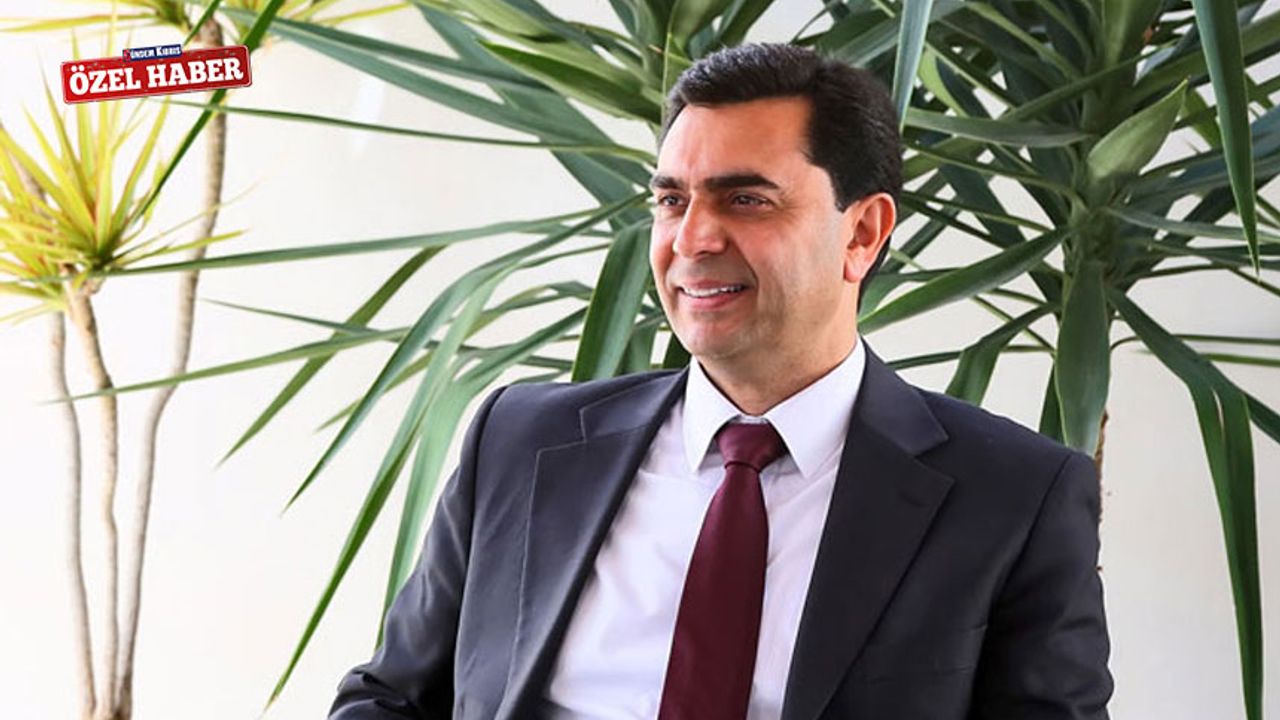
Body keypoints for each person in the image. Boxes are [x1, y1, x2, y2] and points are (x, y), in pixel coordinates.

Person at [329, 43, 1113, 720]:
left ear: (863, 233)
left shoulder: (1014, 498)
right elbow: (392, 698)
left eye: (746, 199)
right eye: (672, 200)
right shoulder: (520, 441)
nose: (692, 239)